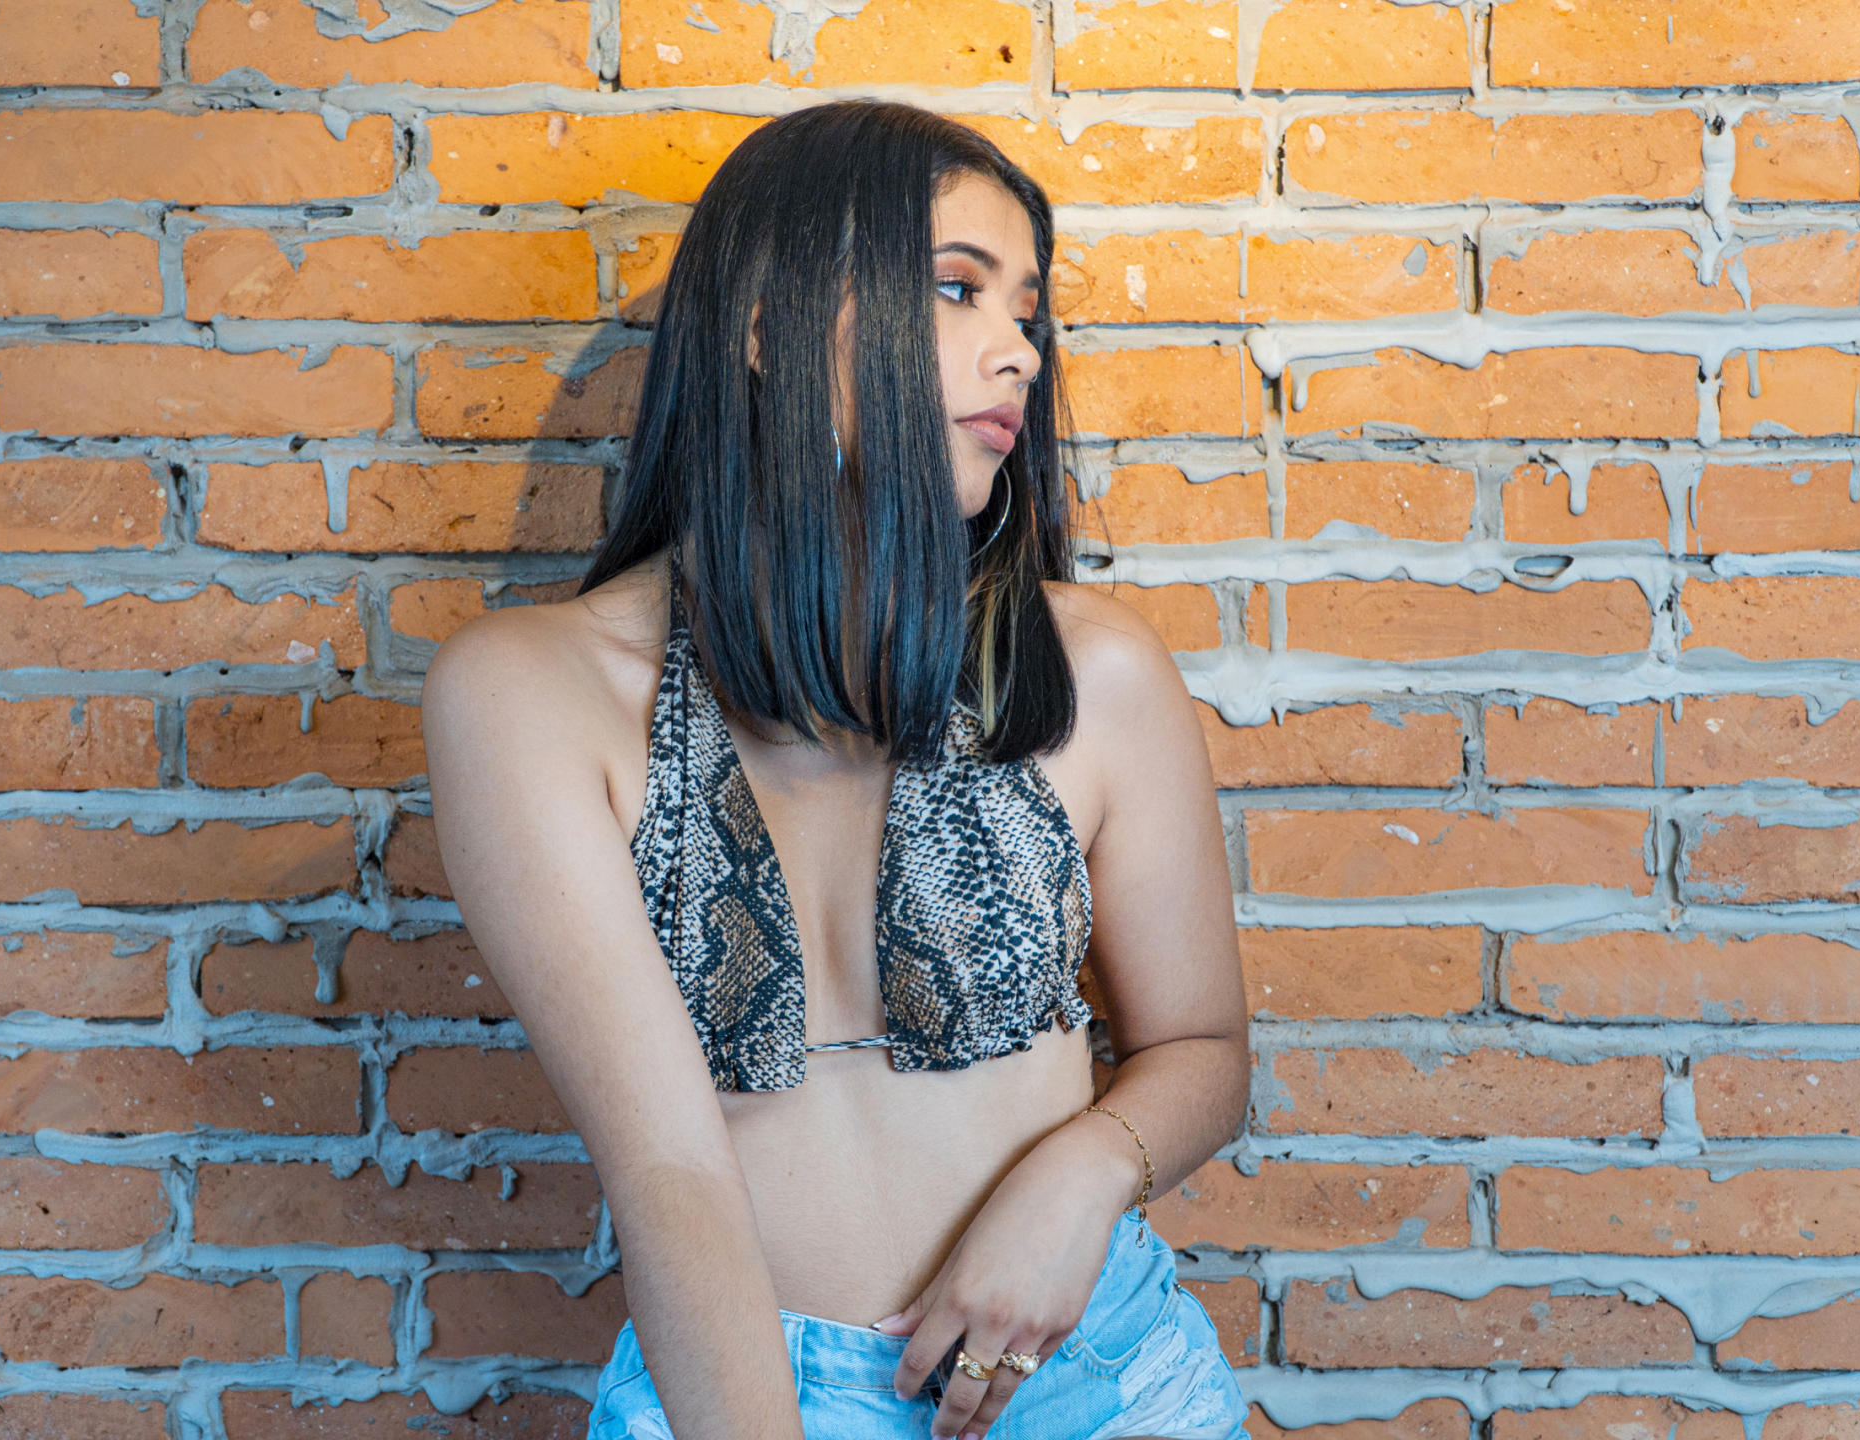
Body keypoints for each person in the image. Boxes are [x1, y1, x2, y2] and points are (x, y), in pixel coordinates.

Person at [420, 99, 1252, 1440]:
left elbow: (1203, 1050)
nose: (1019, 351)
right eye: (957, 288)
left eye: (1028, 311)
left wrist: (1086, 1175)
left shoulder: (1090, 667)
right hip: (742, 1388)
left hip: (1093, 1373)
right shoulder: (530, 695)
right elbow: (669, 1170)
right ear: (767, 324)